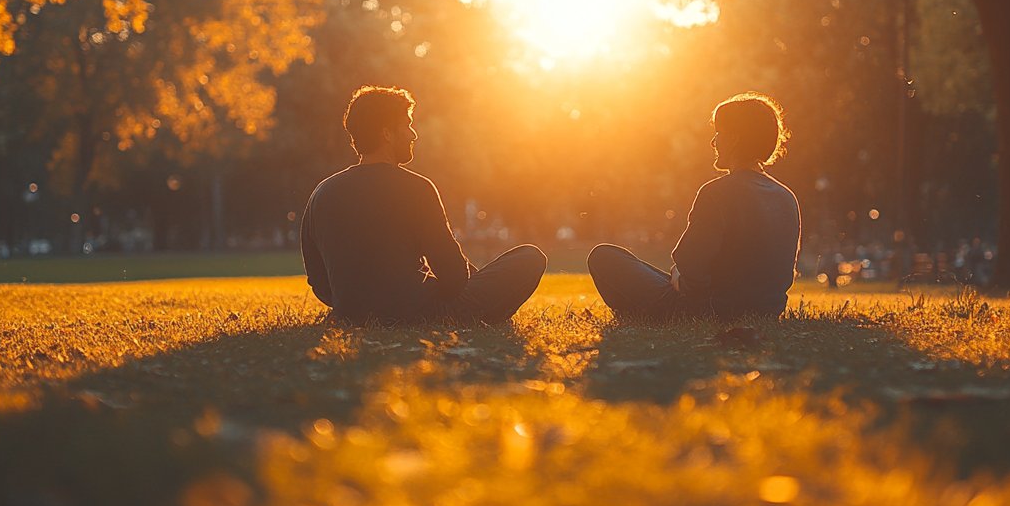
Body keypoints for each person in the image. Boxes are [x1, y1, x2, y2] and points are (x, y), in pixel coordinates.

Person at [300, 86, 546, 324]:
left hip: (351, 313)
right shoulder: (416, 188)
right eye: (407, 125)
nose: (413, 134)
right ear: (387, 133)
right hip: (426, 315)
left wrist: (357, 305)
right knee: (530, 258)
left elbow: (320, 283)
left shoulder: (322, 193)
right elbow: (455, 278)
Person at [588, 92, 801, 320]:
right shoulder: (787, 197)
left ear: (735, 138)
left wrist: (682, 279)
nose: (713, 142)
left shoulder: (717, 193)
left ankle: (641, 316)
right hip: (765, 312)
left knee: (603, 257)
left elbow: (689, 269)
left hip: (705, 310)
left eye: (719, 133)